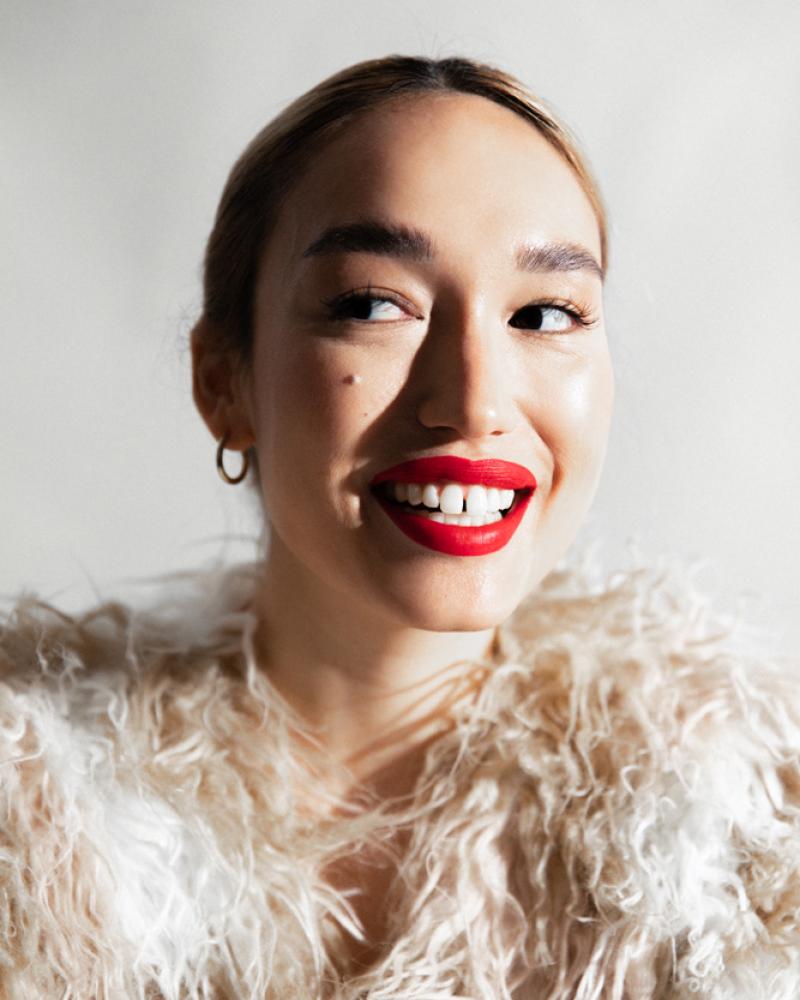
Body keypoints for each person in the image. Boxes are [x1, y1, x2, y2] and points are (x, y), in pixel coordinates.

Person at [1, 54, 799, 1000]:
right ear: (223, 382)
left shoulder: (757, 844)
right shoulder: (33, 826)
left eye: (545, 313)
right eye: (375, 305)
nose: (474, 403)